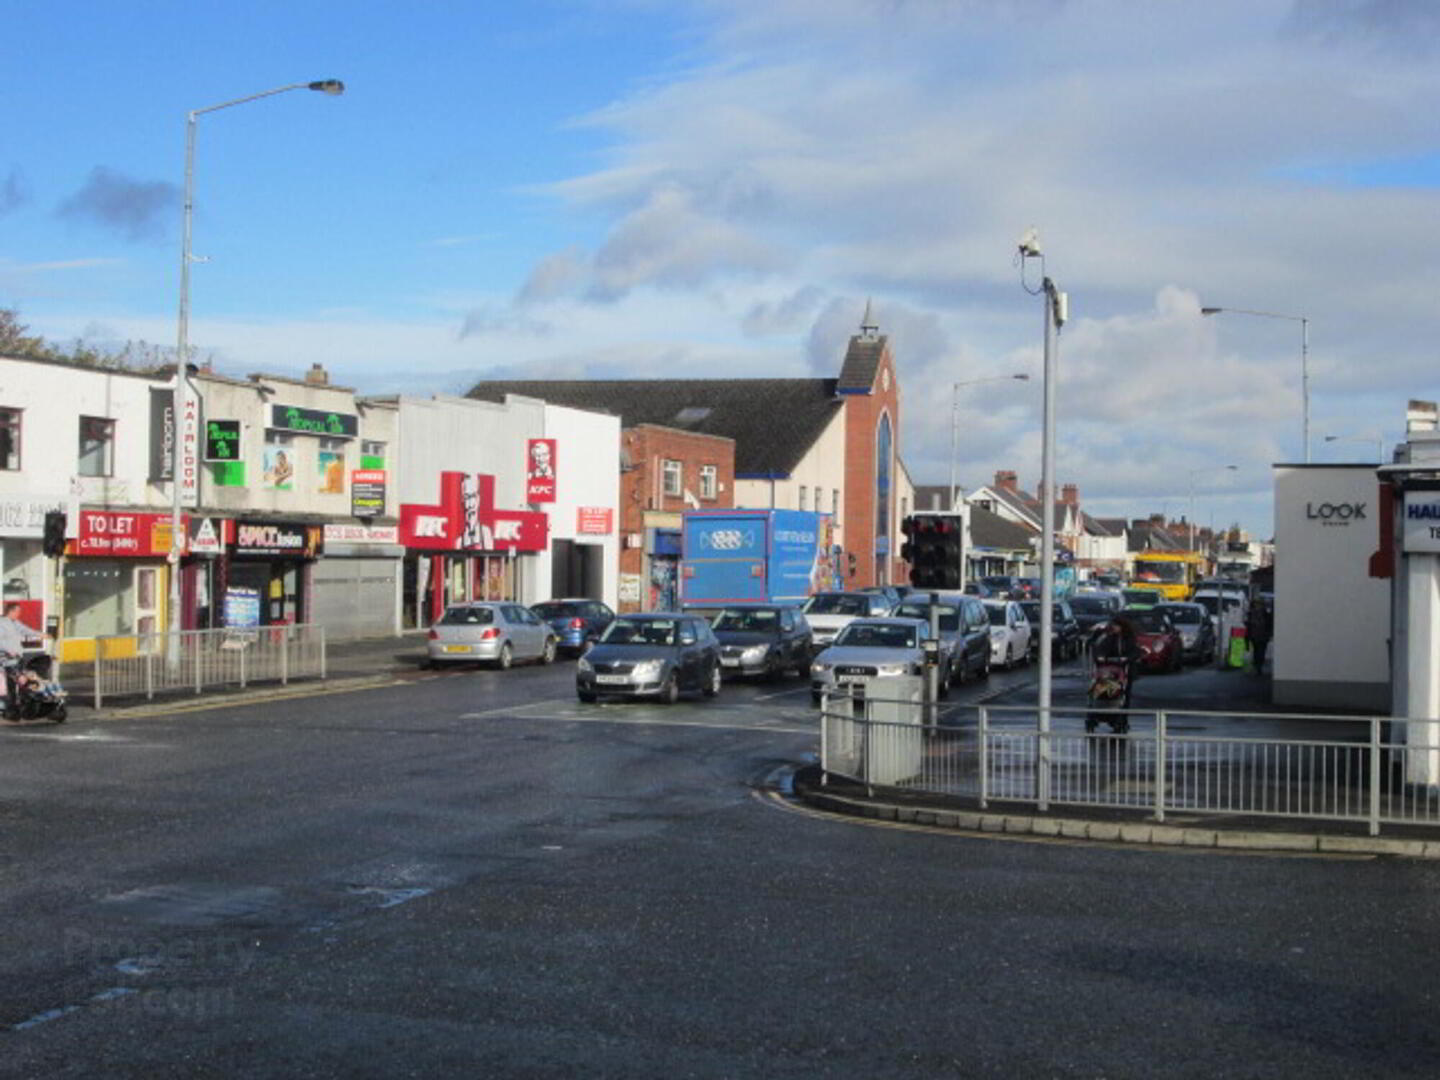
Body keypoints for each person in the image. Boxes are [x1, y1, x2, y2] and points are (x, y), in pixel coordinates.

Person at [1091, 613, 1140, 708]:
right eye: (1113, 626)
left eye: (1116, 626)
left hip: (1125, 668)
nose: (1114, 628)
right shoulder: (1110, 637)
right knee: (1104, 684)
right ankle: (1100, 707)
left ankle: (1123, 711)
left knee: (1125, 690)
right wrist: (1101, 656)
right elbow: (1102, 648)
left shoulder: (1129, 638)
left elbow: (1134, 651)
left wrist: (1127, 658)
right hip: (1111, 667)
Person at [0, 602, 40, 718]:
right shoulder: (2, 623)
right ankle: (13, 709)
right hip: (8, 659)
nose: (19, 614)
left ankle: (20, 706)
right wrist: (8, 650)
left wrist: (41, 634)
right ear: (11, 611)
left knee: (19, 682)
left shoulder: (15, 623)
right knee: (18, 681)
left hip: (18, 657)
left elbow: (25, 630)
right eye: (18, 611)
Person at [1247, 598, 1272, 675]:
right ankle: (1258, 666)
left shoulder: (1252, 613)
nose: (1258, 606)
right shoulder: (1265, 613)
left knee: (1257, 650)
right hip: (1260, 635)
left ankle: (1258, 666)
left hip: (1258, 635)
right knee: (1260, 651)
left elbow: (1249, 624)